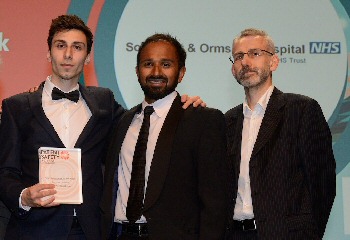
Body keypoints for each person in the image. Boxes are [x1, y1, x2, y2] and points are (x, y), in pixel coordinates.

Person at [0, 15, 203, 240]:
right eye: (60, 46)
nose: (68, 55)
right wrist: (23, 196)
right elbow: (5, 172)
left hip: (92, 230)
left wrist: (178, 104)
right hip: (35, 229)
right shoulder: (17, 107)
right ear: (49, 53)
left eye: (77, 47)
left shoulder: (103, 102)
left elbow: (143, 122)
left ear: (87, 57)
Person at [100, 33, 228, 239]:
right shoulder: (124, 121)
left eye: (166, 64)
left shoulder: (203, 120)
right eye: (148, 64)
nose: (156, 72)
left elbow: (215, 203)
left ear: (181, 73)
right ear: (137, 71)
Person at [225, 28, 336, 239]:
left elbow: (323, 184)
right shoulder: (228, 121)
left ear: (273, 62)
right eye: (239, 56)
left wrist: (308, 234)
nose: (246, 62)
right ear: (233, 69)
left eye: (255, 53)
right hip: (235, 234)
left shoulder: (302, 110)